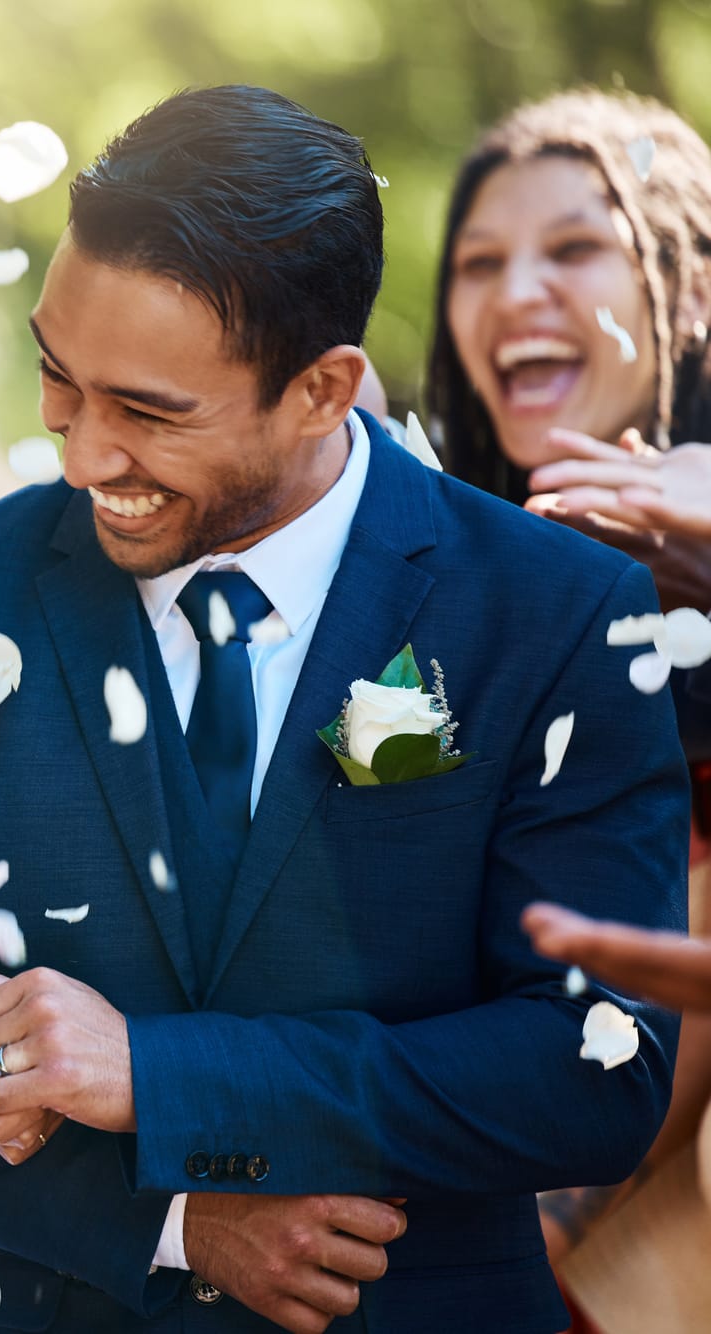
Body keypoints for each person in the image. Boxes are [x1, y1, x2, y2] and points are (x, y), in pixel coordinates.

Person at [0, 84, 685, 1334]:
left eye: (147, 412)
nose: (80, 454)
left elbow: (590, 1067)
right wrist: (175, 1217)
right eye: (57, 378)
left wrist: (162, 1080)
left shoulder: (557, 610)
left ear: (321, 389)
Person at [423, 89, 711, 1332]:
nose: (515, 290)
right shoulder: (427, 601)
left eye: (573, 247)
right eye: (478, 263)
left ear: (687, 293)